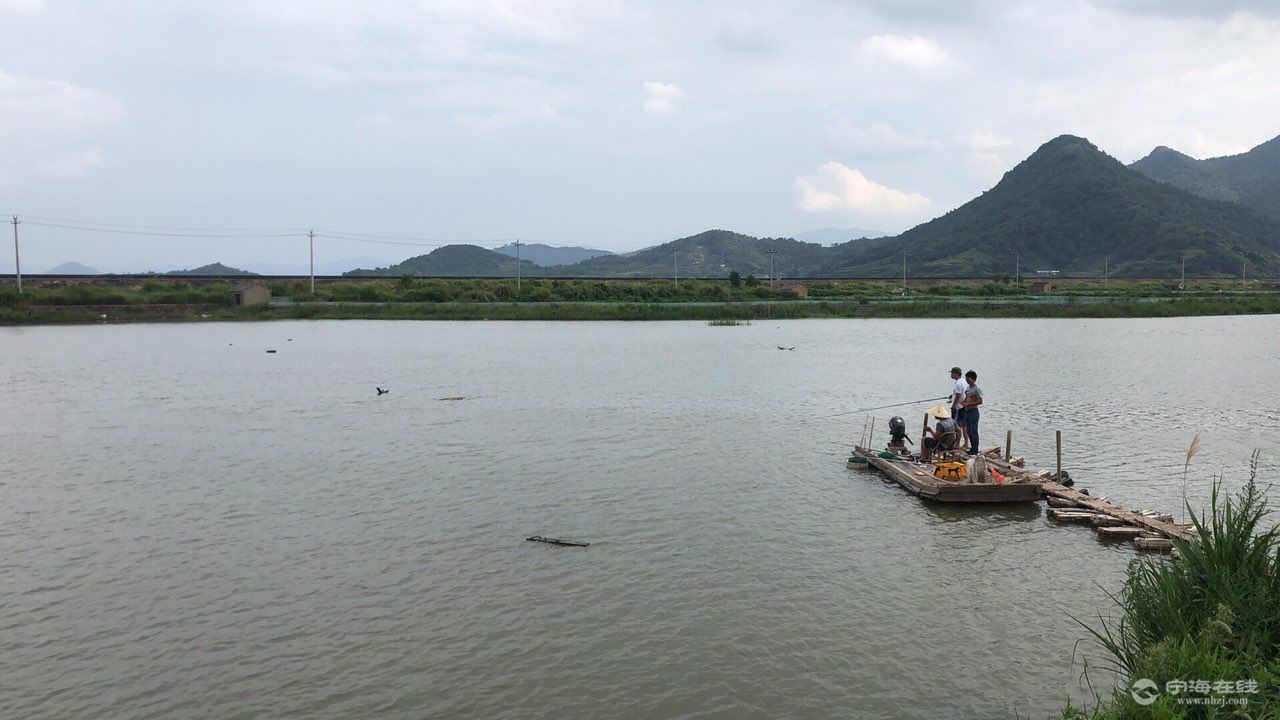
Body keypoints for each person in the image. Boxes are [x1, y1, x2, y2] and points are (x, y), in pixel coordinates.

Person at [961, 370, 983, 454]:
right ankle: (972, 448)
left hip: (973, 411)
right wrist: (964, 402)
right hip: (967, 411)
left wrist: (969, 404)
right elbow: (966, 398)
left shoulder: (977, 389)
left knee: (974, 431)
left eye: (968, 378)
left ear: (973, 379)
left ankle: (975, 449)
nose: (967, 380)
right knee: (969, 431)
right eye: (966, 378)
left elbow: (980, 401)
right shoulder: (968, 388)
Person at [949, 366, 967, 449]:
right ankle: (966, 443)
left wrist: (953, 406)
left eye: (952, 373)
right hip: (963, 406)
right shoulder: (963, 381)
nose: (951, 374)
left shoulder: (958, 383)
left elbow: (958, 396)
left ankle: (957, 444)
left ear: (956, 373)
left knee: (956, 426)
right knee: (963, 425)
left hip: (958, 407)